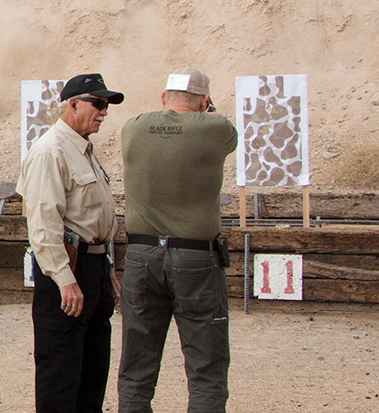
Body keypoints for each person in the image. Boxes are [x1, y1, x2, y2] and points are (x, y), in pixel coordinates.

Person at [117, 67, 237, 413]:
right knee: (205, 368)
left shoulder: (133, 128)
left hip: (141, 255)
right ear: (204, 100)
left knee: (137, 367)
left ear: (163, 97)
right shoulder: (214, 127)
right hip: (195, 257)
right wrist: (207, 110)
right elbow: (227, 135)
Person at [16, 73, 124, 413]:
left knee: (91, 375)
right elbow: (44, 225)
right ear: (73, 104)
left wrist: (106, 269)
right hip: (68, 270)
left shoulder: (82, 149)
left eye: (106, 105)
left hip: (91, 266)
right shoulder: (51, 151)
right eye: (98, 103)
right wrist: (65, 280)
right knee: (60, 375)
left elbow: (93, 219)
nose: (103, 112)